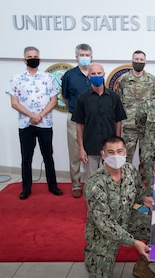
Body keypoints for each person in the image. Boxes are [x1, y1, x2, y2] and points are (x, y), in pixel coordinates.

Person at [84, 136, 155, 278]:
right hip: (103, 233)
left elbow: (137, 196)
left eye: (119, 151)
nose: (116, 156)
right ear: (103, 155)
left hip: (128, 219)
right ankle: (97, 260)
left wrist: (144, 201)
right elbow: (104, 223)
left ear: (126, 152)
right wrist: (134, 242)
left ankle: (142, 267)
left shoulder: (130, 170)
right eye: (110, 152)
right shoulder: (94, 184)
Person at [7, 46, 63, 200]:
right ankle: (26, 188)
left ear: (40, 59)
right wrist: (31, 115)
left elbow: (53, 100)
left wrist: (40, 115)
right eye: (30, 56)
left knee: (48, 156)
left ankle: (53, 186)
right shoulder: (16, 78)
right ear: (25, 60)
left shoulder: (48, 77)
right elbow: (14, 103)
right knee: (26, 157)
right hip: (25, 124)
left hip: (45, 124)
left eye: (35, 56)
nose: (33, 58)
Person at [71, 63, 126, 179]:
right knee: (92, 181)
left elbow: (118, 122)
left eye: (99, 73)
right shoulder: (82, 98)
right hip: (90, 147)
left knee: (111, 179)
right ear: (89, 76)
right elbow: (79, 125)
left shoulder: (114, 97)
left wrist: (117, 145)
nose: (97, 76)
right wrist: (81, 148)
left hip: (110, 149)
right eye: (93, 74)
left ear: (104, 75)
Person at [61, 43, 93, 198]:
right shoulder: (69, 75)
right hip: (74, 119)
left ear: (91, 57)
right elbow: (65, 98)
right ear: (76, 57)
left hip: (93, 120)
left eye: (87, 55)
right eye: (82, 55)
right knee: (75, 153)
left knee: (92, 154)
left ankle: (92, 183)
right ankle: (76, 184)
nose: (85, 58)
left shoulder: (95, 73)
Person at [115, 50, 154, 173]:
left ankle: (142, 186)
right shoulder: (123, 80)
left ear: (145, 62)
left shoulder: (152, 80)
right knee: (125, 159)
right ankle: (126, 183)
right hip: (128, 127)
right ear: (132, 61)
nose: (139, 62)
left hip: (146, 128)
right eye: (136, 60)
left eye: (141, 60)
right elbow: (118, 103)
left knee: (146, 160)